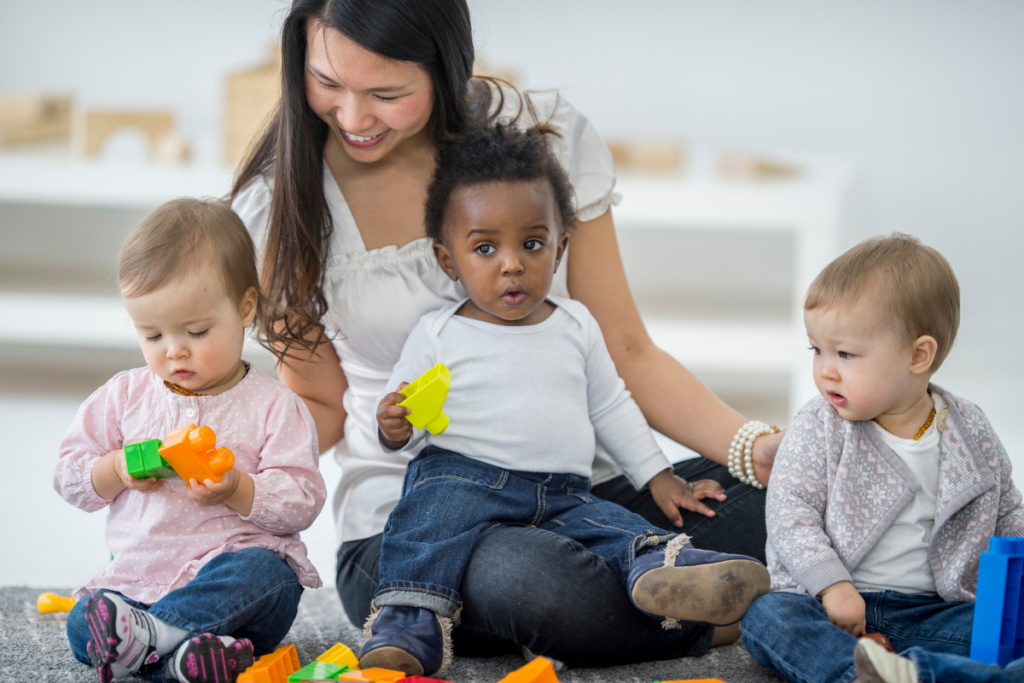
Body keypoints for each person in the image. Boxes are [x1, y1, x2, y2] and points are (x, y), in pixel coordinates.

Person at [230, 0, 784, 666]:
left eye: (386, 93)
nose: (352, 117)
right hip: (419, 519)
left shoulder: (537, 136)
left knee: (777, 503)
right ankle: (717, 610)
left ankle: (664, 581)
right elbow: (319, 403)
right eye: (327, 83)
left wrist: (756, 448)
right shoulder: (281, 205)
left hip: (573, 487)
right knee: (534, 580)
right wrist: (235, 489)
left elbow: (624, 350)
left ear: (446, 66)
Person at [359, 124, 770, 676]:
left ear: (561, 247)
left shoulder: (576, 324)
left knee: (611, 526)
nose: (512, 264)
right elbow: (407, 420)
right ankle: (409, 619)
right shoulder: (438, 332)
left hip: (565, 493)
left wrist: (657, 477)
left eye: (533, 244)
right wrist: (393, 425)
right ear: (447, 259)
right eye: (485, 248)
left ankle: (668, 566)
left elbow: (611, 407)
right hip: (465, 479)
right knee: (427, 518)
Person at [54, 198, 326, 683]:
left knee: (270, 578)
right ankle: (182, 662)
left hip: (230, 577)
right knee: (83, 623)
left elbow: (303, 500)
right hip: (139, 582)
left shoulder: (275, 406)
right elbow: (69, 478)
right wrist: (114, 469)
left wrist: (236, 489)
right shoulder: (124, 396)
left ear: (245, 308)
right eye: (152, 335)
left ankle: (152, 644)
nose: (174, 350)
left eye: (197, 331)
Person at [740, 234, 1024, 683]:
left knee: (1005, 629)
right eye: (817, 350)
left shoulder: (971, 431)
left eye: (846, 354)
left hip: (936, 612)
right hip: (829, 606)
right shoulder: (820, 425)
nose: (825, 369)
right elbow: (790, 514)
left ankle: (915, 672)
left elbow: (1007, 513)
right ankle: (858, 675)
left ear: (918, 355)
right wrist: (833, 585)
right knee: (768, 616)